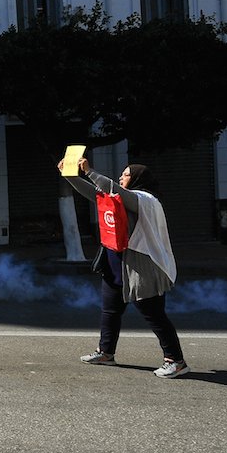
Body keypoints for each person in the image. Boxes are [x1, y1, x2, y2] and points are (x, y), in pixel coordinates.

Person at [61, 157, 189, 379]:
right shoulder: (120, 198)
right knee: (110, 311)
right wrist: (70, 176)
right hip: (115, 264)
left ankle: (176, 361)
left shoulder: (144, 200)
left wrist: (89, 171)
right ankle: (106, 352)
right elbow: (94, 193)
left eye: (126, 174)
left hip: (141, 267)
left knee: (154, 315)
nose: (121, 177)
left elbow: (115, 190)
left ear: (138, 179)